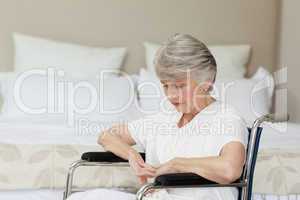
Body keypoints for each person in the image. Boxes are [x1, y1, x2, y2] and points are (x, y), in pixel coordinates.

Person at [67, 33, 248, 200]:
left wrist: (176, 164)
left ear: (206, 85)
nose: (171, 95)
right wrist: (131, 154)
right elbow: (106, 136)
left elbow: (229, 169)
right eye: (165, 85)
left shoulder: (226, 118)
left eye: (179, 86)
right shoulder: (164, 119)